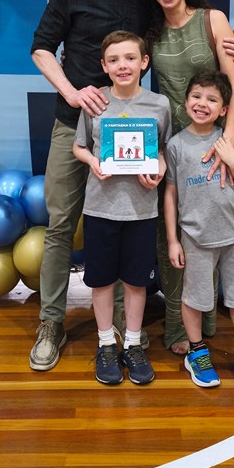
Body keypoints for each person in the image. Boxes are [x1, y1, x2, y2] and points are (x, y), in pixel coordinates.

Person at [29, 0, 234, 372]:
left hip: (137, 133)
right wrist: (73, 93)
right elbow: (42, 48)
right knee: (61, 225)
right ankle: (51, 323)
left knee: (132, 226)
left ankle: (128, 330)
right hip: (75, 124)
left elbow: (189, 29)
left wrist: (226, 45)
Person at [147, 0, 234, 356]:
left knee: (211, 231)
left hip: (212, 142)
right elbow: (122, 60)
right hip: (171, 144)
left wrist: (227, 144)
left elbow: (232, 86)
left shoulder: (213, 19)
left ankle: (205, 321)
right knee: (172, 235)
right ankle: (178, 328)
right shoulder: (149, 28)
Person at [73, 31, 171, 385]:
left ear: (144, 62)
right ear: (104, 66)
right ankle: (105, 344)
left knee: (135, 281)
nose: (122, 66)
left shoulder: (159, 105)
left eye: (130, 58)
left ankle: (132, 343)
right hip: (100, 208)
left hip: (141, 211)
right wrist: (93, 162)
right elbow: (79, 146)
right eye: (113, 60)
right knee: (100, 281)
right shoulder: (95, 102)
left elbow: (163, 150)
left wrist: (158, 169)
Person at [164, 70, 234, 394]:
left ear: (223, 109)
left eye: (212, 99)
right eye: (196, 96)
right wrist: (172, 240)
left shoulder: (230, 141)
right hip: (196, 238)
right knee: (194, 298)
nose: (202, 103)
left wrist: (232, 162)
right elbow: (171, 195)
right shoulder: (176, 145)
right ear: (186, 102)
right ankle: (196, 351)